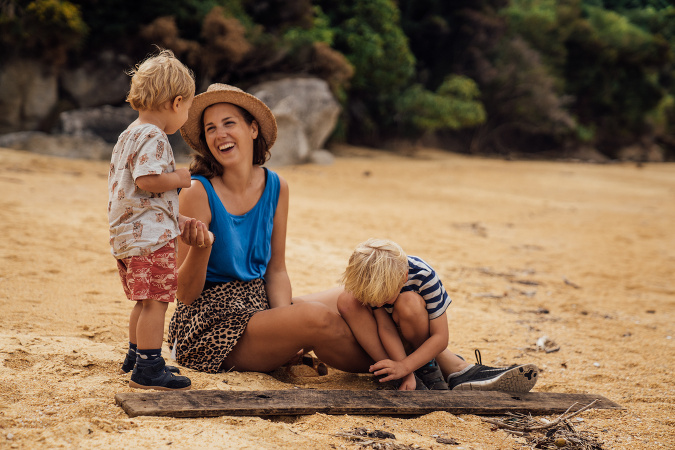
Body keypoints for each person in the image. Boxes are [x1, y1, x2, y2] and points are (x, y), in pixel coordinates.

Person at [167, 83, 372, 375]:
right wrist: (202, 248)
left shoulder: (276, 186)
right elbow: (184, 294)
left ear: (253, 129)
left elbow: (276, 270)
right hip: (209, 327)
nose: (219, 134)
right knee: (317, 319)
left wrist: (283, 326)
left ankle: (437, 360)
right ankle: (405, 367)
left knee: (355, 296)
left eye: (229, 123)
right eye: (210, 128)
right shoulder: (197, 191)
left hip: (258, 304)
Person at [109, 49, 204, 390]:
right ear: (177, 102)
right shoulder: (154, 136)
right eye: (189, 108)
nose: (187, 116)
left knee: (143, 301)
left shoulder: (128, 135)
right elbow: (147, 181)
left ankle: (136, 356)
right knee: (157, 302)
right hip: (147, 238)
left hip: (129, 235)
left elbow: (137, 193)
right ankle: (149, 370)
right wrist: (179, 178)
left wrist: (173, 218)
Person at [336, 238, 540, 391]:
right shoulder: (371, 283)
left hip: (418, 335)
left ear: (404, 277)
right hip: (389, 344)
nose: (380, 303)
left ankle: (435, 367)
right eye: (375, 300)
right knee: (347, 299)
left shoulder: (424, 276)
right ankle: (447, 371)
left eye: (386, 298)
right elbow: (386, 328)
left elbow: (441, 337)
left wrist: (406, 366)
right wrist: (403, 371)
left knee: (409, 302)